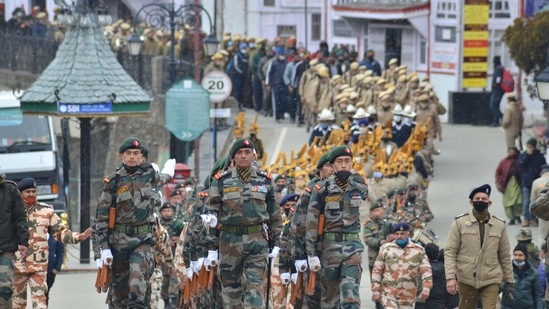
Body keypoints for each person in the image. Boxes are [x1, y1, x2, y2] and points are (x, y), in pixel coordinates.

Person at [95, 137, 175, 308]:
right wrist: (102, 249)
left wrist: (170, 172)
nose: (132, 157)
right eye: (128, 153)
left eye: (136, 153)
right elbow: (101, 218)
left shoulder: (149, 175)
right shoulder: (112, 182)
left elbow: (164, 178)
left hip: (143, 240)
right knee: (119, 295)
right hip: (119, 242)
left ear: (141, 156)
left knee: (137, 289)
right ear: (121, 156)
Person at [206, 138, 283, 309]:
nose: (243, 156)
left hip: (256, 241)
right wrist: (211, 246)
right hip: (229, 241)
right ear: (233, 157)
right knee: (231, 289)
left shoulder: (265, 181)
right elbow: (210, 213)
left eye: (247, 153)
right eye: (239, 153)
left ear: (253, 156)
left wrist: (277, 242)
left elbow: (275, 214)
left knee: (254, 286)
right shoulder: (221, 181)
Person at [13, 178, 92, 309]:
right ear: (20, 193)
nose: (32, 194)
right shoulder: (11, 211)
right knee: (17, 304)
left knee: (40, 303)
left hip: (38, 266)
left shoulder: (46, 211)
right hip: (16, 265)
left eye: (34, 191)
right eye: (28, 192)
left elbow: (60, 232)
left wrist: (78, 237)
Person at [306, 145, 368, 308]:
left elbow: (370, 198)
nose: (343, 165)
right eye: (339, 161)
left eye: (347, 161)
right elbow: (311, 222)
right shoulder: (322, 189)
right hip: (329, 249)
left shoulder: (359, 185)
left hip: (353, 248)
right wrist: (311, 253)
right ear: (332, 165)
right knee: (330, 298)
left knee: (350, 294)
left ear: (352, 164)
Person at [445, 184, 514, 309]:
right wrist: (450, 277)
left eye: (484, 199)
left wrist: (509, 280)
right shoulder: (459, 222)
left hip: (491, 277)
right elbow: (450, 251)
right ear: (471, 202)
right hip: (466, 277)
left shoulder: (499, 224)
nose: (480, 202)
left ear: (490, 203)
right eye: (477, 199)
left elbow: (504, 255)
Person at [371, 222, 433, 308]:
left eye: (402, 234)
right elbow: (376, 271)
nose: (399, 236)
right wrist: (376, 290)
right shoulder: (385, 249)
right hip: (389, 294)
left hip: (408, 297)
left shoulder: (418, 250)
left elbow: (426, 270)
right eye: (397, 234)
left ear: (408, 233)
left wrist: (426, 288)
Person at [0, 173, 29, 308]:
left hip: (5, 247)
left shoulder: (10, 190)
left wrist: (23, 242)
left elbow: (19, 217)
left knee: (4, 290)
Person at [362, 198, 394, 309]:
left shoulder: (389, 223)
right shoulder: (368, 224)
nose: (377, 213)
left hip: (388, 258)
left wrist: (392, 238)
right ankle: (378, 302)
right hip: (374, 259)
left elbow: (396, 234)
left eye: (379, 210)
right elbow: (367, 239)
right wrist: (380, 242)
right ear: (371, 212)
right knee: (376, 282)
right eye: (375, 211)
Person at [415, 244, 459, 309]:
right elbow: (449, 290)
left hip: (420, 302)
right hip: (439, 304)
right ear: (437, 254)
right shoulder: (446, 271)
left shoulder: (420, 268)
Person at [500, 243, 544, 309]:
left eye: (520, 255)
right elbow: (498, 288)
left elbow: (538, 296)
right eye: (515, 255)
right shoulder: (507, 270)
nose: (517, 258)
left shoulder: (533, 273)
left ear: (525, 256)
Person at [158, 203, 184, 308]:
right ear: (161, 213)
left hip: (174, 258)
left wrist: (178, 240)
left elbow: (184, 238)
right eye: (164, 211)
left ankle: (173, 301)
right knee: (164, 281)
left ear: (172, 212)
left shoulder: (178, 224)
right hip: (162, 258)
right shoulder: (158, 225)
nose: (167, 213)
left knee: (174, 279)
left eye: (169, 211)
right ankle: (166, 301)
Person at [519, 138, 546, 227]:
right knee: (526, 202)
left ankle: (534, 218)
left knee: (535, 201)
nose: (529, 148)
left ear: (534, 147)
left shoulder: (539, 156)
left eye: (531, 147)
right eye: (528, 147)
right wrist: (527, 155)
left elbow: (543, 167)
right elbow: (520, 164)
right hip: (526, 182)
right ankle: (526, 218)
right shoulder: (523, 155)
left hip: (537, 183)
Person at [495, 147, 522, 224]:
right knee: (508, 202)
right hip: (507, 186)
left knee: (518, 201)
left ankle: (517, 215)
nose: (511, 153)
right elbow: (498, 171)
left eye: (513, 152)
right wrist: (497, 181)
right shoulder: (504, 161)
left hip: (517, 185)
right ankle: (511, 218)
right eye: (510, 152)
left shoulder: (520, 161)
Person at [532, 164, 549, 246]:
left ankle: (543, 253)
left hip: (543, 210)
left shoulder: (536, 182)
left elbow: (532, 200)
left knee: (542, 235)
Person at [45, 235, 64, 306]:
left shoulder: (55, 235)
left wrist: (56, 268)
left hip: (50, 269)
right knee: (38, 293)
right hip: (36, 268)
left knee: (45, 293)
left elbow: (60, 251)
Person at [489, 56, 505, 127]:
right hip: (500, 90)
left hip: (497, 90)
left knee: (492, 105)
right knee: (496, 105)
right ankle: (496, 121)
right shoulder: (500, 68)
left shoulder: (498, 69)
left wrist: (495, 85)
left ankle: (502, 116)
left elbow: (498, 79)